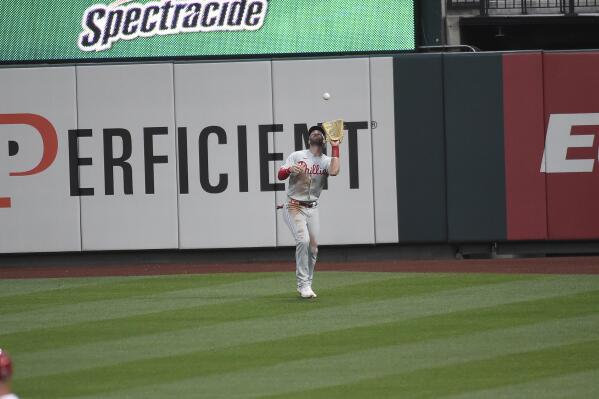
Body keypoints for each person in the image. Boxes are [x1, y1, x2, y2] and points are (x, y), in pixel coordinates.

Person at [277, 125, 340, 298]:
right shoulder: (297, 156)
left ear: (323, 139)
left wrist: (335, 146)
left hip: (313, 208)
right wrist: (289, 169)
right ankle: (302, 284)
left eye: (319, 132)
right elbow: (280, 174)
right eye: (313, 132)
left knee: (313, 249)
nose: (316, 133)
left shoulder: (326, 160)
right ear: (309, 138)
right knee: (303, 240)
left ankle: (308, 284)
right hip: (294, 206)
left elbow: (334, 171)